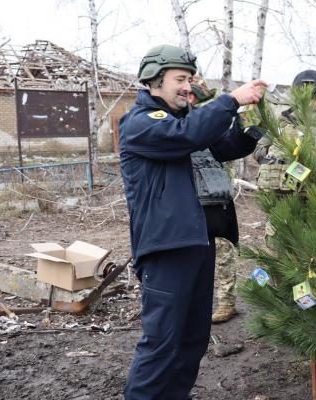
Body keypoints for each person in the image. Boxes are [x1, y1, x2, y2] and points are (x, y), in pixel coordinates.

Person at [119, 44, 266, 399]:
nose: (187, 87)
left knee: (192, 338)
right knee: (162, 342)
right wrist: (230, 100)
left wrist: (253, 129)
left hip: (198, 242)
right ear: (155, 83)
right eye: (179, 80)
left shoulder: (182, 123)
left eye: (189, 79)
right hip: (167, 247)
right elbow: (185, 136)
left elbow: (219, 146)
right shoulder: (140, 124)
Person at [188, 77, 240, 323]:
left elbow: (230, 144)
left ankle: (227, 302)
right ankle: (196, 305)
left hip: (219, 204)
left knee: (225, 257)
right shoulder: (176, 126)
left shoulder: (208, 131)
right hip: (195, 208)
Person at [253, 69, 316, 191]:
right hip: (276, 197)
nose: (309, 102)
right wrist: (280, 151)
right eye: (302, 96)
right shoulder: (281, 124)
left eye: (314, 96)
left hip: (314, 199)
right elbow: (258, 152)